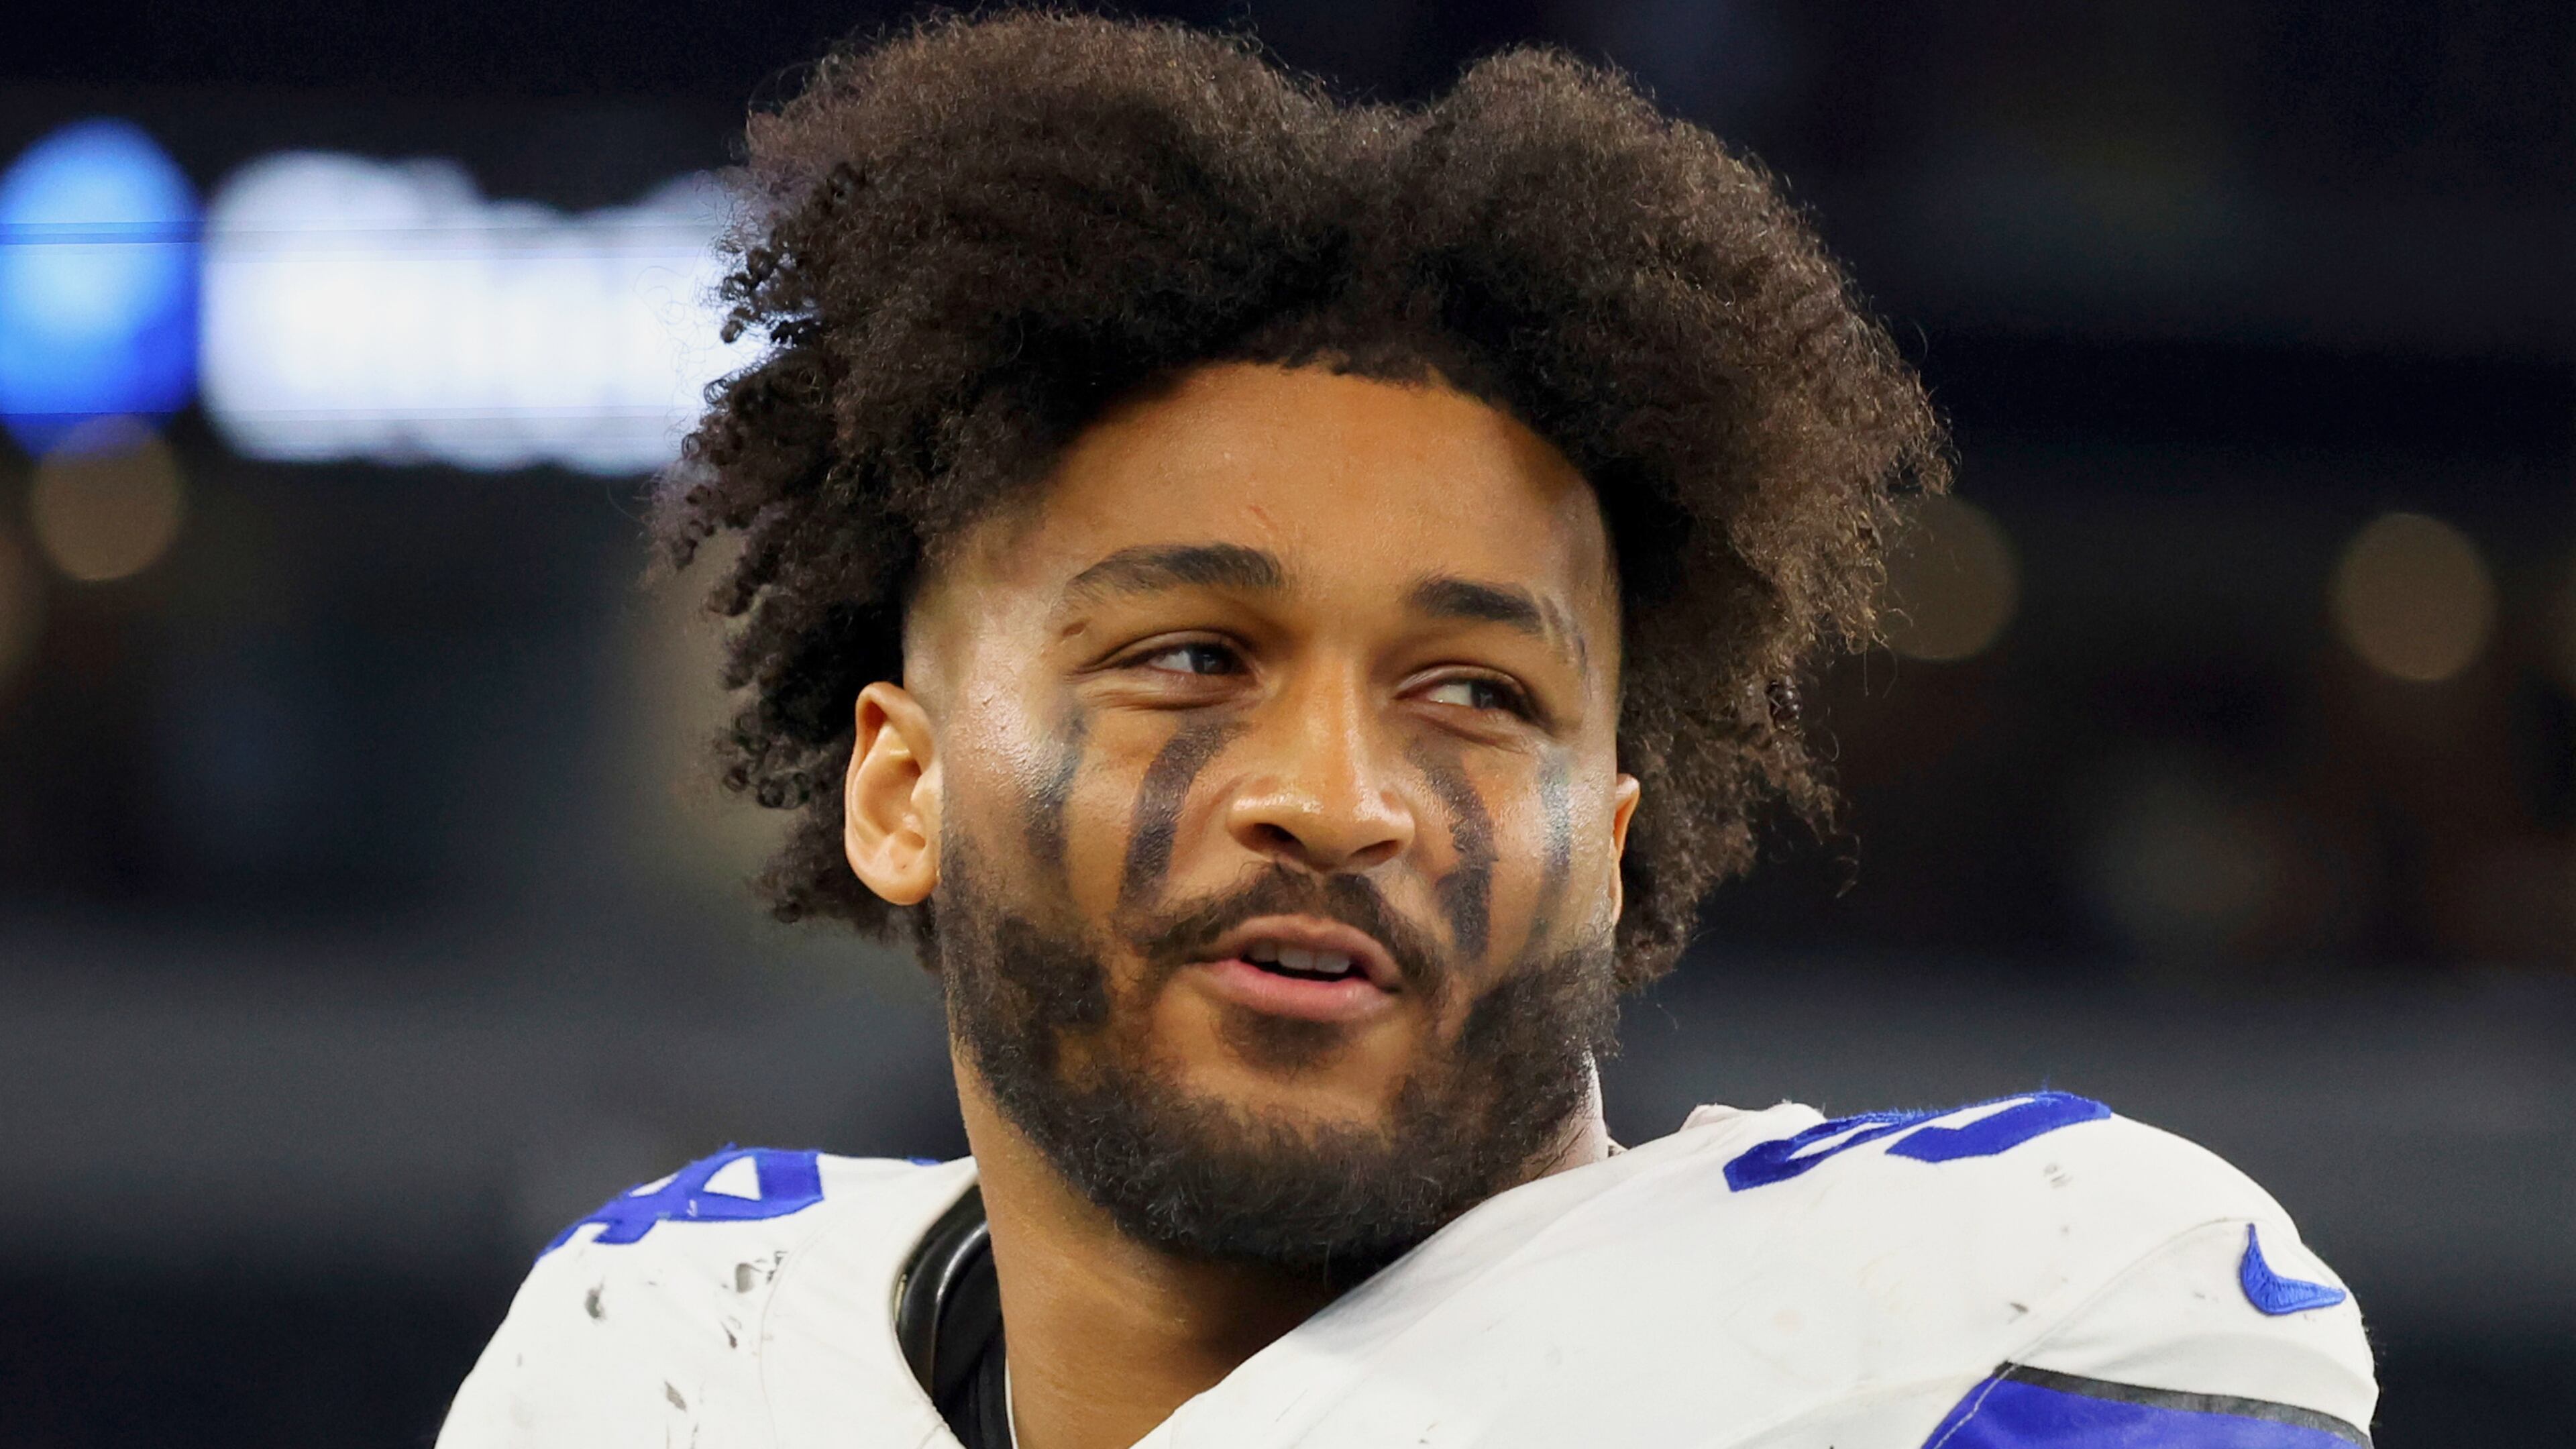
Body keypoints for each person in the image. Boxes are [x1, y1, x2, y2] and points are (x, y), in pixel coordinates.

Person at [439, 13, 2375, 1448]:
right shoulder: (660, 1354)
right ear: (902, 785)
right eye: (1192, 658)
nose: (1335, 802)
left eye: (1476, 695)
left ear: (1606, 845)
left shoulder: (1998, 1336)